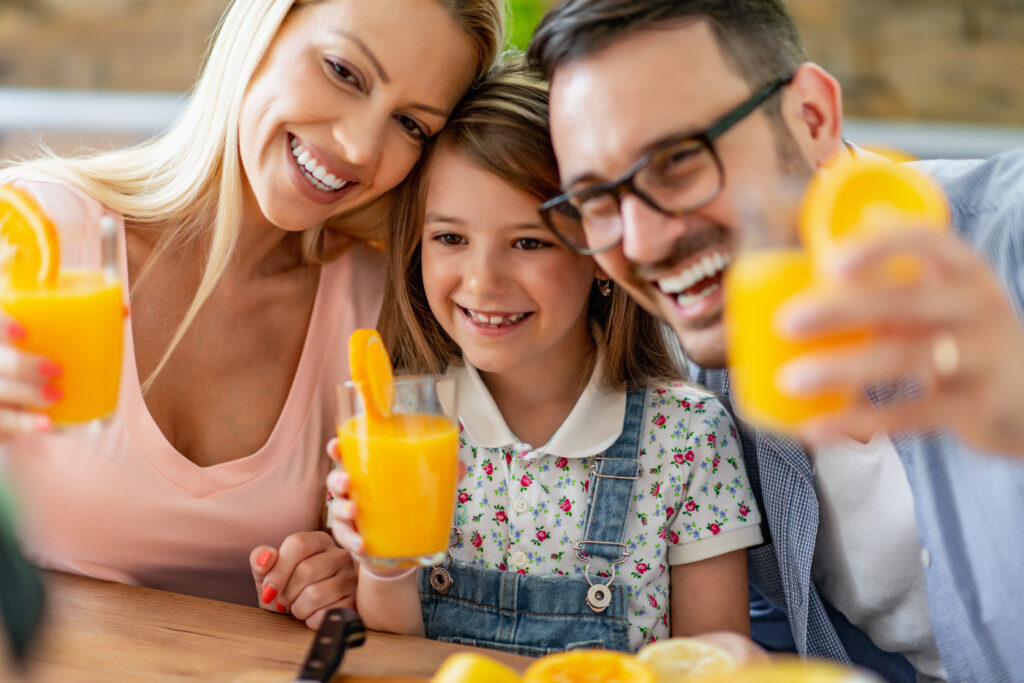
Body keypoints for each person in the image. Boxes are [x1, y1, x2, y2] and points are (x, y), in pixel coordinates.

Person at [527, 0, 1024, 680]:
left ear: (811, 118)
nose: (642, 242)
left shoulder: (1010, 237)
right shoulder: (698, 390)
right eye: (597, 200)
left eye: (677, 160)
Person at [0, 0, 504, 630]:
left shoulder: (375, 309)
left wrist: (343, 576)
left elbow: (383, 582)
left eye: (409, 124)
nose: (357, 145)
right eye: (344, 72)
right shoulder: (35, 237)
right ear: (264, 30)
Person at [326, 59, 765, 657]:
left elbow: (716, 663)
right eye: (450, 238)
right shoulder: (395, 427)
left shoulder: (687, 439)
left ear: (602, 256)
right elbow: (392, 657)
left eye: (529, 243)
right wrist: (383, 568)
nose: (482, 282)